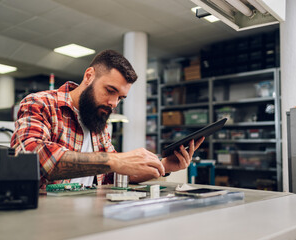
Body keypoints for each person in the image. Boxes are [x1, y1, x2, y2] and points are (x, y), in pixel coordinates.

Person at [11, 49, 204, 188]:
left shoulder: (97, 121)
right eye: (110, 90)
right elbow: (30, 158)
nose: (114, 103)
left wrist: (162, 165)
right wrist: (115, 159)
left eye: (120, 97)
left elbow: (111, 176)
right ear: (89, 76)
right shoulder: (41, 103)